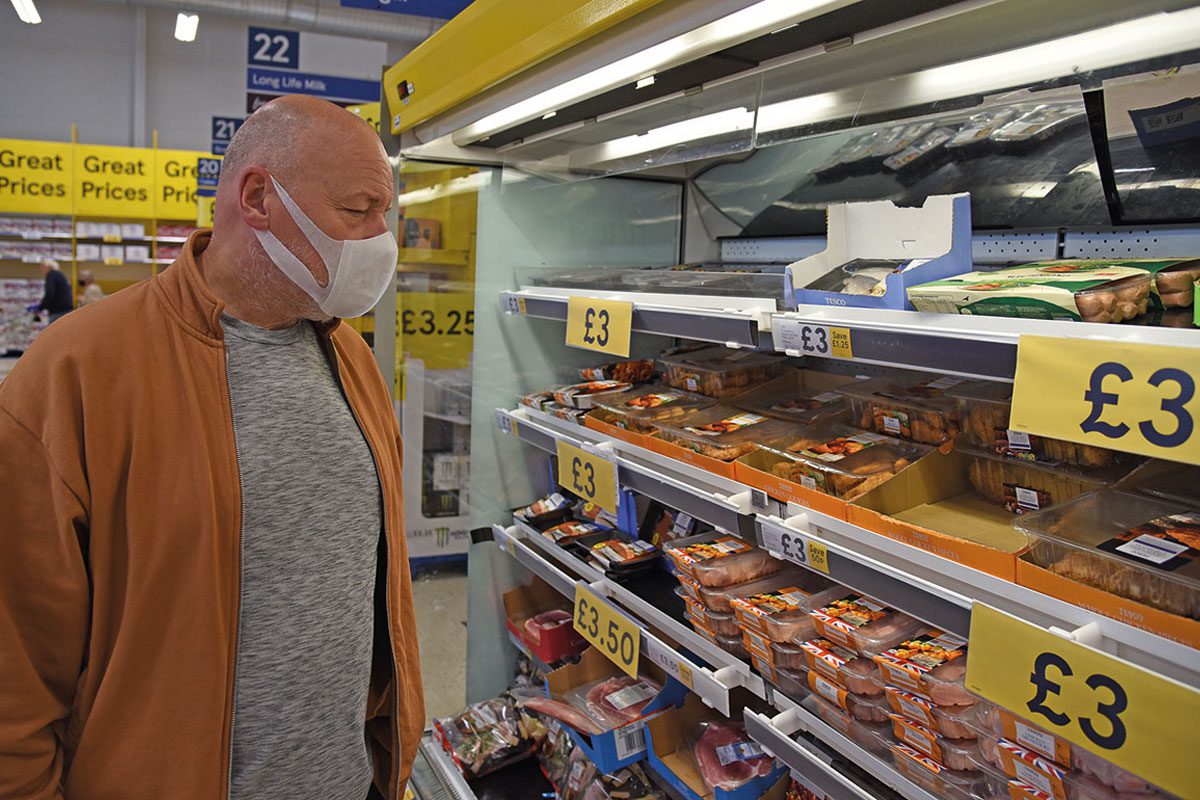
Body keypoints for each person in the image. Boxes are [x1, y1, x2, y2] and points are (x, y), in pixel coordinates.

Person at [0, 95, 423, 800]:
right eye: (359, 210)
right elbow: (15, 661)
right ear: (259, 197)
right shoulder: (78, 369)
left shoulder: (352, 359)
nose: (382, 238)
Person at [32, 258, 73, 323]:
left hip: (58, 311)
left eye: (42, 267)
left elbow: (49, 292)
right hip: (65, 309)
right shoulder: (58, 275)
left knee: (55, 331)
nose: (40, 270)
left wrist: (41, 307)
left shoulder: (51, 275)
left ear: (48, 267)